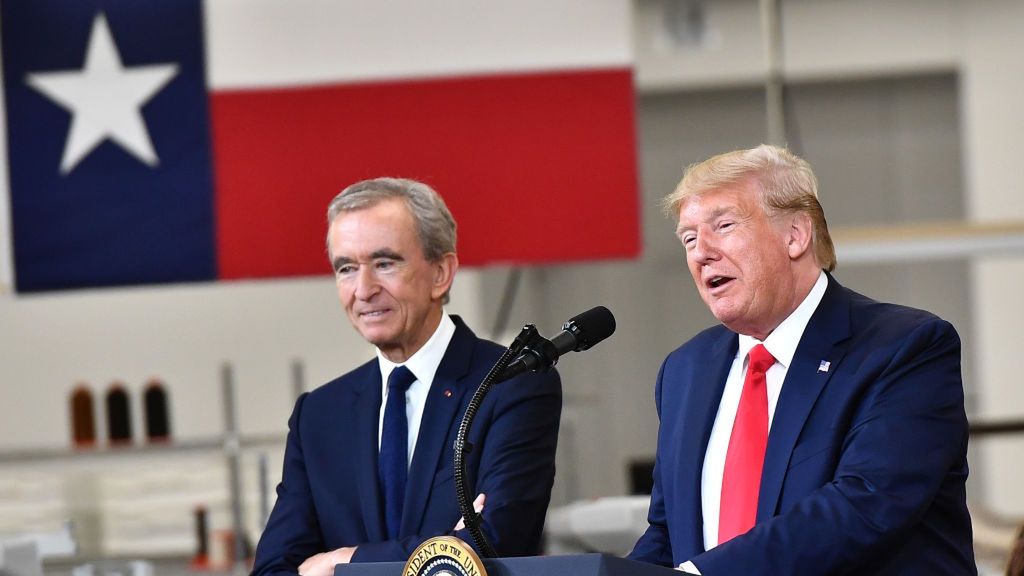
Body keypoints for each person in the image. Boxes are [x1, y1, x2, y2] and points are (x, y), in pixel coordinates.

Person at [628, 145, 975, 574]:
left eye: (724, 225)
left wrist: (705, 574)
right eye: (689, 238)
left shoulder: (904, 347)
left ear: (795, 235)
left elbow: (865, 504)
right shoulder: (685, 371)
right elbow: (668, 533)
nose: (701, 252)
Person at [251, 178, 562, 576]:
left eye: (384, 263)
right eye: (346, 269)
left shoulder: (512, 383)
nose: (363, 290)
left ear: (441, 273)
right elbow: (273, 569)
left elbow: (493, 543)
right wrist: (444, 544)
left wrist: (342, 562)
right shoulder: (319, 415)